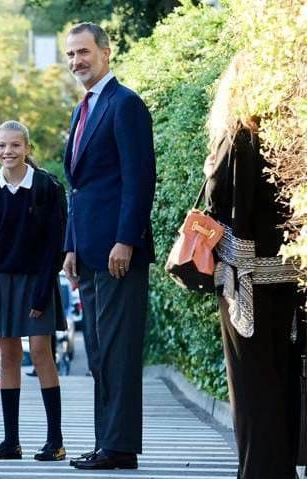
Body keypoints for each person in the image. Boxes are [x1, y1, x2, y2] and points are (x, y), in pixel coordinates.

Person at [203, 52, 303, 479]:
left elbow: (217, 207)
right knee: (285, 381)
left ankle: (261, 472)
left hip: (245, 284)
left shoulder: (235, 140)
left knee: (251, 387)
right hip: (291, 280)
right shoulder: (293, 141)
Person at [61, 23, 156, 470]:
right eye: (70, 55)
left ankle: (119, 447)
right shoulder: (84, 109)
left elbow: (139, 181)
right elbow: (79, 188)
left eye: (83, 52)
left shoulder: (126, 105)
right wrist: (71, 246)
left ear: (105, 52)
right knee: (99, 353)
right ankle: (109, 444)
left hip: (120, 253)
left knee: (118, 352)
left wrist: (126, 240)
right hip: (90, 253)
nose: (76, 61)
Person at [0, 120, 67, 462]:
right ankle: (10, 441)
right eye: (1, 146)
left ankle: (55, 441)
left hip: (36, 281)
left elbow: (54, 246)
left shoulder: (47, 187)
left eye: (15, 145)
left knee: (42, 353)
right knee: (8, 356)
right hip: (0, 283)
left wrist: (43, 292)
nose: (7, 152)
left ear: (27, 148)